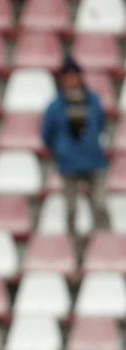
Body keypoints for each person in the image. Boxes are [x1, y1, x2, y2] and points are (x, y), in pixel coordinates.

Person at [42, 58, 113, 239]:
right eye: (68, 77)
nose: (72, 80)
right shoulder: (55, 106)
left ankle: (107, 242)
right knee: (71, 209)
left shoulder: (93, 101)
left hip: (94, 160)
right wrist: (61, 150)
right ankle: (73, 246)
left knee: (100, 205)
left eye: (74, 76)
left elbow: (101, 125)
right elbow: (47, 133)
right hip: (69, 164)